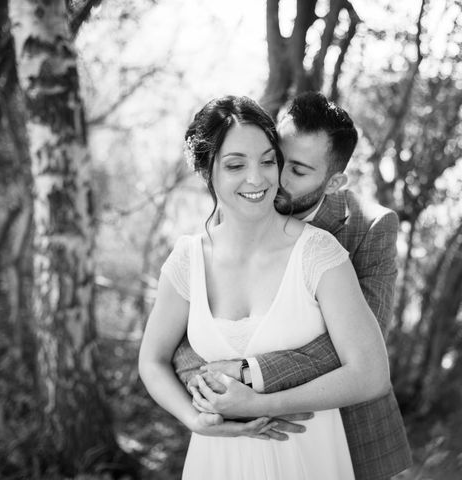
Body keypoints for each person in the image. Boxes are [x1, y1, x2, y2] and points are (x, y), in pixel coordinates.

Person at [138, 95, 394, 480]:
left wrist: (258, 395)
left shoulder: (329, 247)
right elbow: (154, 357)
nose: (265, 179)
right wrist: (195, 414)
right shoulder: (189, 257)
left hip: (315, 450)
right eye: (237, 164)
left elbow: (366, 364)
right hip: (218, 460)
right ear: (209, 172)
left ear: (334, 180)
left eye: (269, 162)